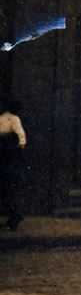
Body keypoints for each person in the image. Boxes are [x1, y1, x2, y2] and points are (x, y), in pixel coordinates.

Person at [0, 98, 28, 231]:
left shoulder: (13, 119)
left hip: (8, 156)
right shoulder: (5, 118)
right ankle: (13, 216)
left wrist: (17, 149)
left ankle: (15, 217)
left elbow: (21, 137)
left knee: (9, 187)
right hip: (4, 154)